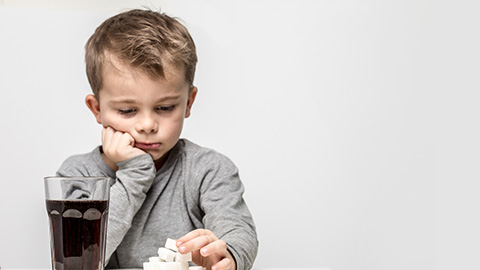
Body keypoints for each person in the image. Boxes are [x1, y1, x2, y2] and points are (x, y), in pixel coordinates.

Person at [56, 9, 258, 270]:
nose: (147, 125)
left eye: (164, 108)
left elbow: (237, 229)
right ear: (97, 109)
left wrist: (226, 255)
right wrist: (134, 173)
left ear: (188, 102)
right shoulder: (78, 175)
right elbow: (81, 259)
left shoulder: (208, 169)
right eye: (127, 111)